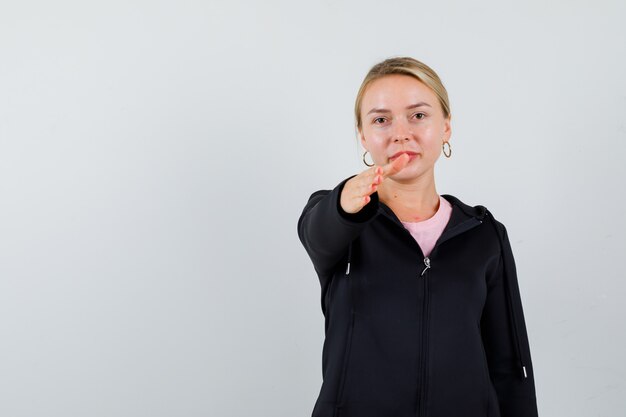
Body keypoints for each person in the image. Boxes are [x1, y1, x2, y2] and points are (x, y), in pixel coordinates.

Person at [297, 57, 539, 417]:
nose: (400, 133)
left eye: (418, 115)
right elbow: (318, 232)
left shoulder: (484, 234)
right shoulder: (342, 220)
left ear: (446, 128)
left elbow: (509, 366)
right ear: (363, 135)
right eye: (381, 119)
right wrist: (345, 204)